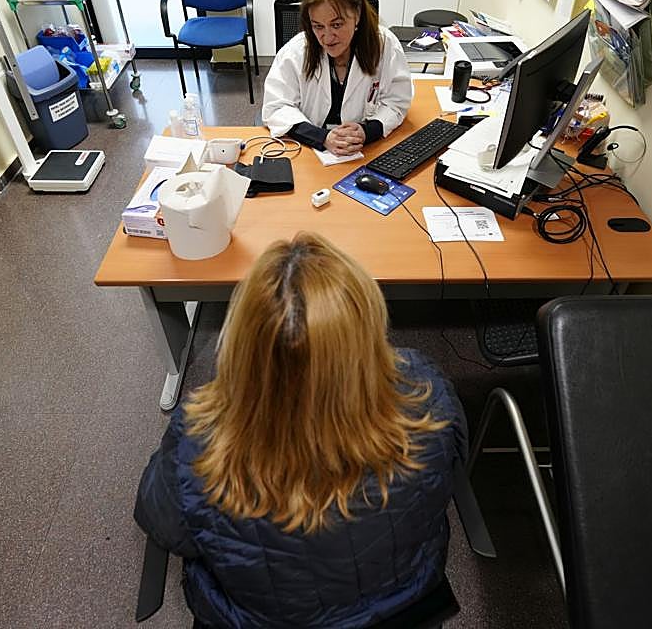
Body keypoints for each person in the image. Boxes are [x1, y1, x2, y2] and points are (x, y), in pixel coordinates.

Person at [134, 232, 467, 628]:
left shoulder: (197, 443)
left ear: (242, 343)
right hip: (405, 609)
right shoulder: (426, 396)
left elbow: (161, 523)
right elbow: (453, 471)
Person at [262, 0, 413, 157]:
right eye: (318, 26)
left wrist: (368, 131)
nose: (327, 37)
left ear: (357, 15)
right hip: (311, 153)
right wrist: (322, 137)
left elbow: (397, 101)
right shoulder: (296, 51)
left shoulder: (384, 45)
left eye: (336, 24)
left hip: (366, 152)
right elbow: (275, 108)